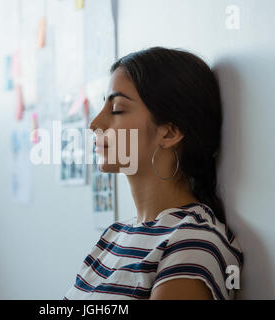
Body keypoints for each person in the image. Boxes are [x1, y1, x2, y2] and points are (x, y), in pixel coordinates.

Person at [63, 46, 243, 300]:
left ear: (169, 133)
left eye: (117, 109)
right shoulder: (114, 236)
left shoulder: (192, 242)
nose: (95, 123)